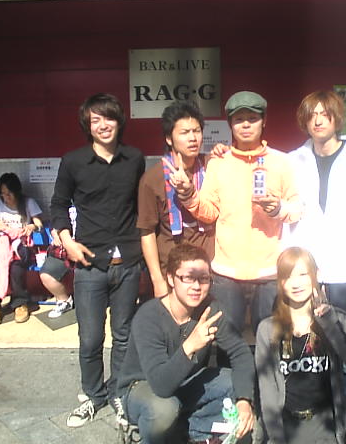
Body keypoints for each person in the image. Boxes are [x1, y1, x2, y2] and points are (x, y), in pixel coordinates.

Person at [167, 91, 300, 334]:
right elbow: (209, 212)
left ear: (264, 121)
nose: (246, 124)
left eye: (253, 118)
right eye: (239, 119)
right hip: (226, 272)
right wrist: (188, 194)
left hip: (269, 270)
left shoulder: (281, 162)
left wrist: (278, 209)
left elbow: (297, 208)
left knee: (268, 339)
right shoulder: (218, 162)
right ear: (230, 124)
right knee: (227, 339)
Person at [50, 93, 146, 427]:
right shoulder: (73, 161)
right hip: (89, 265)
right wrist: (68, 242)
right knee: (90, 338)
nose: (103, 125)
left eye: (109, 118)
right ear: (87, 126)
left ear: (119, 122)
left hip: (127, 263)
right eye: (95, 120)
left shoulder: (135, 159)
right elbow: (58, 205)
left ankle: (119, 393)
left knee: (124, 336)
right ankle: (93, 395)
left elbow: (143, 205)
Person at [116, 243, 255, 444]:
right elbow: (161, 385)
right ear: (171, 278)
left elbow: (240, 353)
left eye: (203, 279)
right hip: (144, 387)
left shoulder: (211, 309)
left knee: (236, 382)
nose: (197, 286)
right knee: (164, 409)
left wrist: (244, 401)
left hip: (187, 382)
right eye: (188, 278)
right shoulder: (149, 316)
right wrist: (190, 346)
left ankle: (188, 432)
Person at [286, 90, 346, 398]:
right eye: (312, 115)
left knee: (345, 324)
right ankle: (314, 382)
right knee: (307, 325)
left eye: (325, 114)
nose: (318, 121)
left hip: (345, 257)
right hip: (306, 260)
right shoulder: (293, 159)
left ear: (337, 118)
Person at [255, 247, 346, 444]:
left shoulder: (337, 318)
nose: (296, 283)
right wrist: (274, 436)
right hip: (287, 428)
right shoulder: (267, 329)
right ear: (280, 282)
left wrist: (329, 324)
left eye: (303, 274)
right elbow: (267, 390)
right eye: (288, 276)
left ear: (316, 275)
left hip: (325, 426)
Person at [137, 100, 215, 298]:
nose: (193, 138)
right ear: (169, 138)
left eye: (197, 131)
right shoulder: (152, 179)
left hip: (210, 272)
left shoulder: (212, 166)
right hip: (174, 275)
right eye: (184, 132)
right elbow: (147, 232)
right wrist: (158, 280)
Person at [0, 172, 43, 326]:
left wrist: (31, 226)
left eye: (8, 193)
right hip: (1, 245)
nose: (5, 197)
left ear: (17, 191)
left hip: (21, 245)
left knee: (16, 267)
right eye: (2, 194)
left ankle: (20, 303)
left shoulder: (28, 203)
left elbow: (39, 224)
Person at [39, 228, 74, 318]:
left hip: (89, 249)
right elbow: (54, 225)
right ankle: (64, 301)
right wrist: (55, 234)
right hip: (62, 252)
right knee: (47, 275)